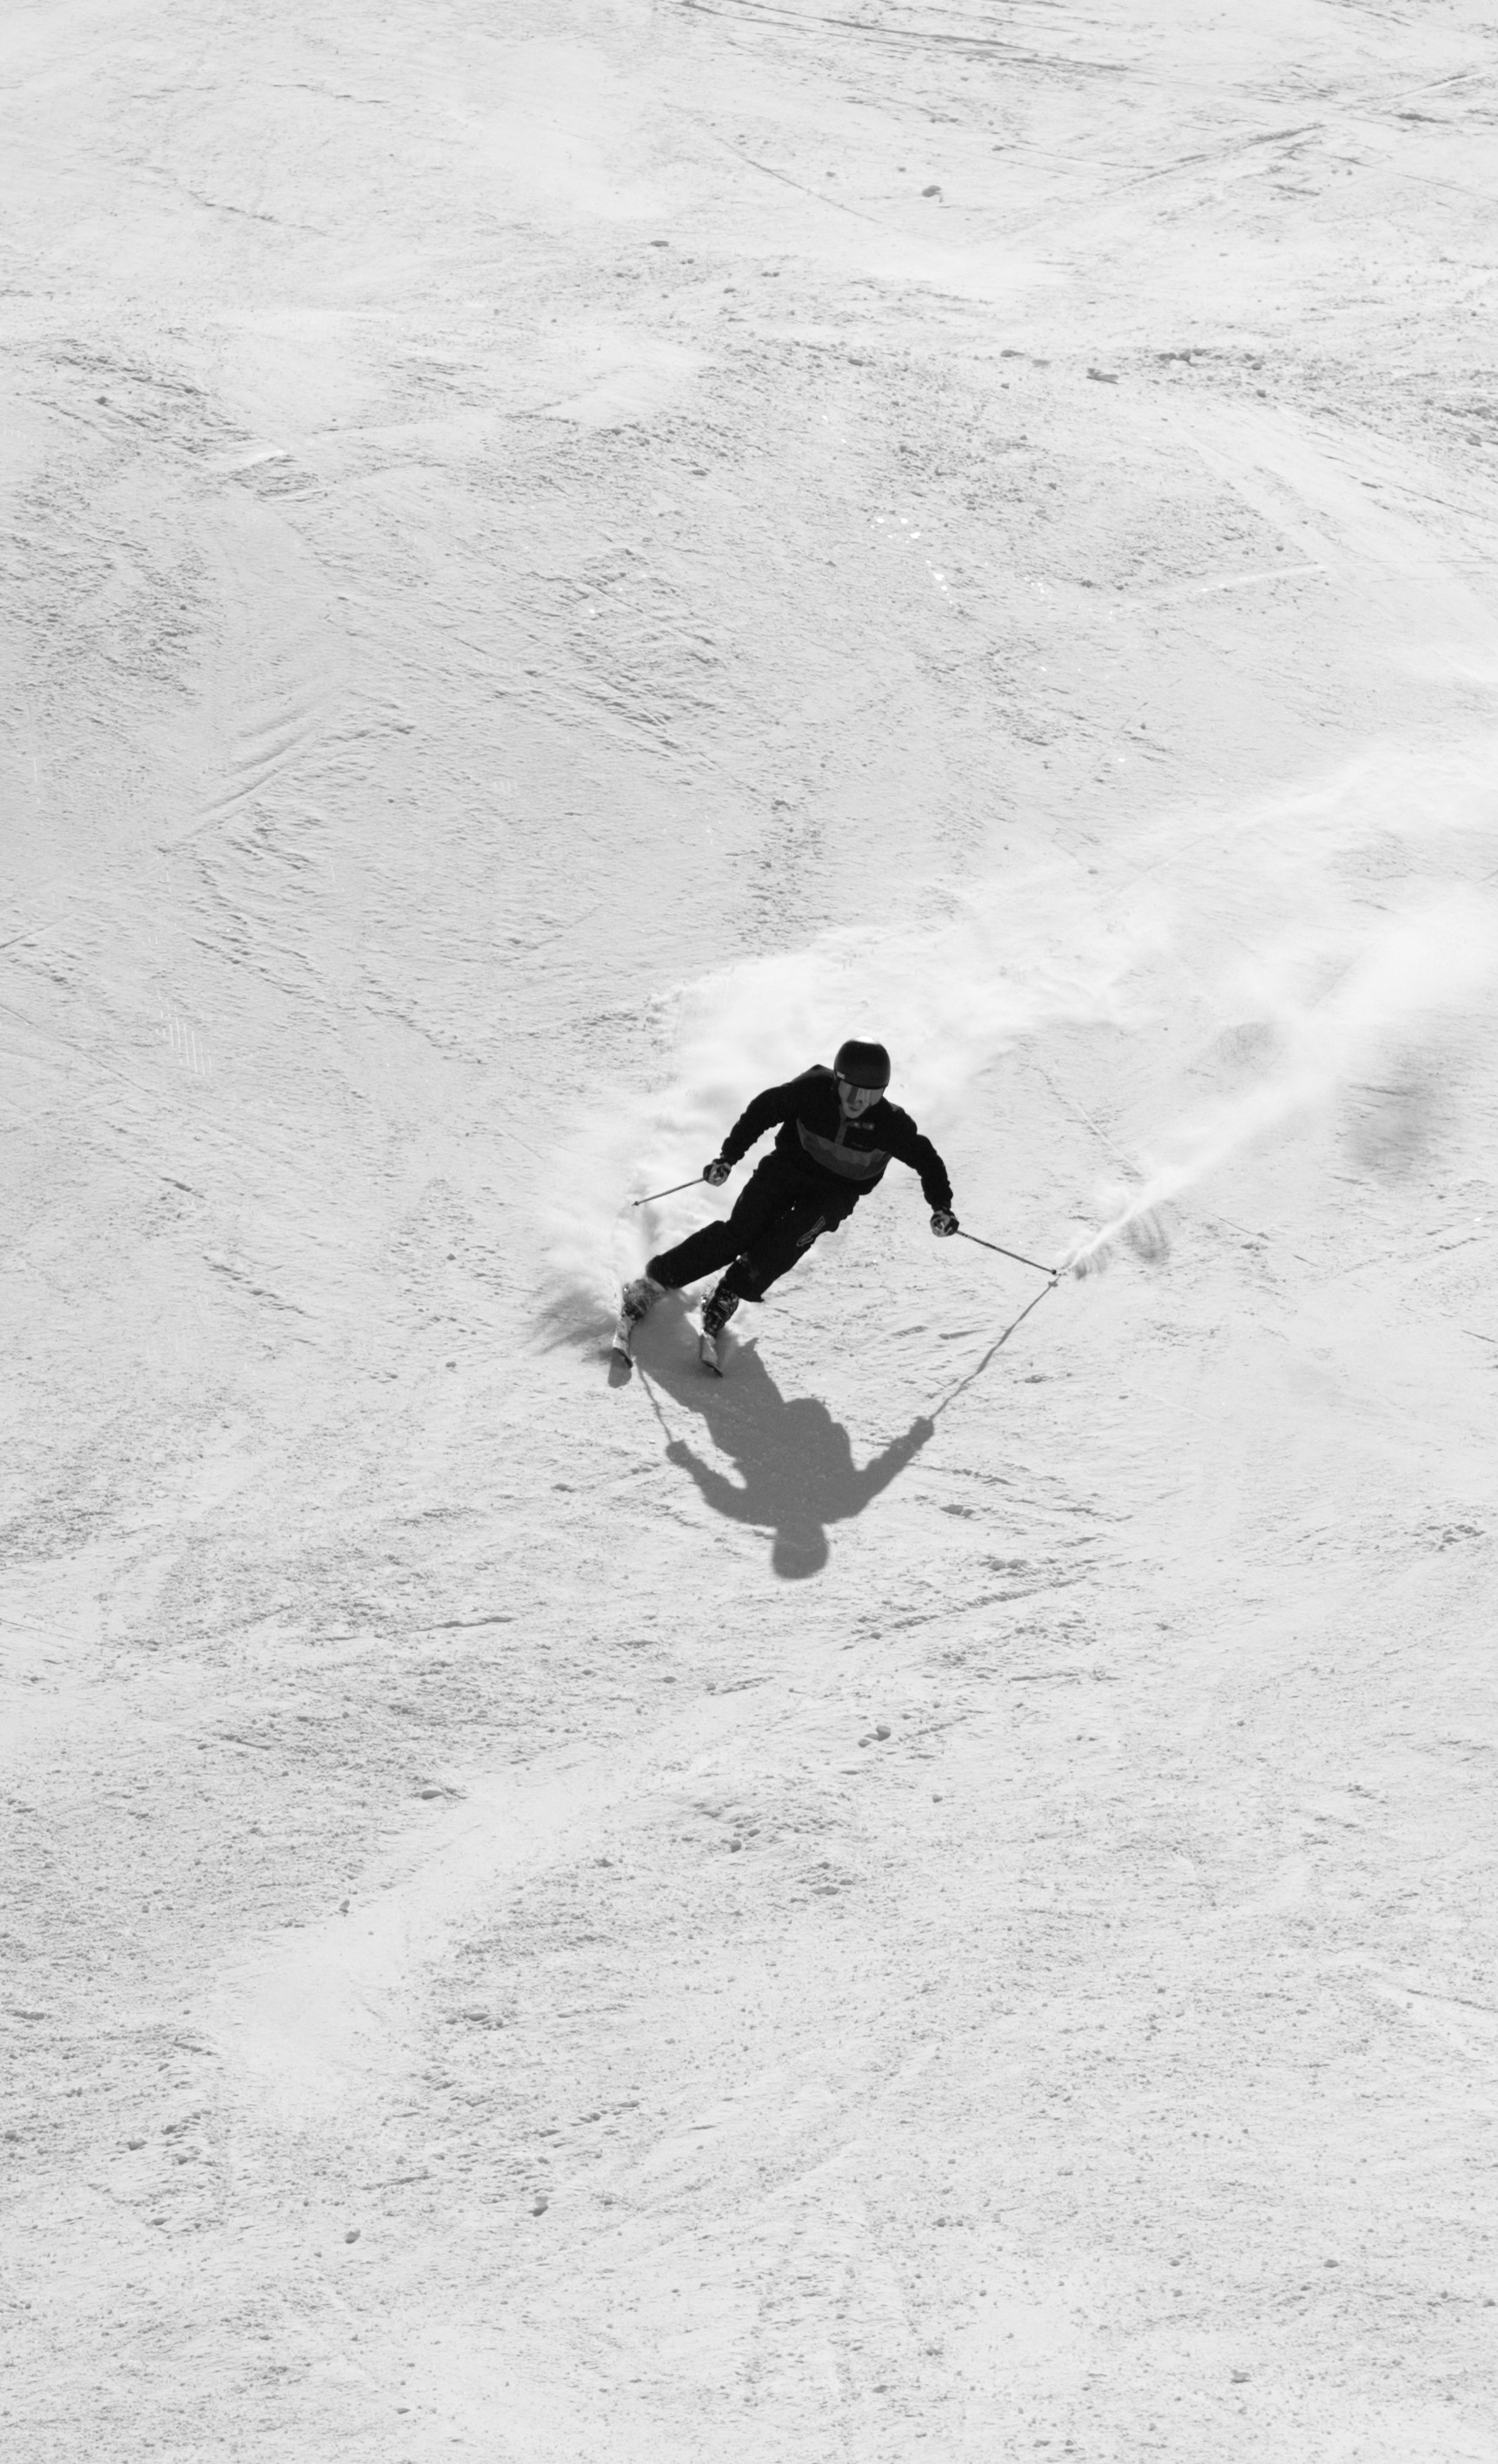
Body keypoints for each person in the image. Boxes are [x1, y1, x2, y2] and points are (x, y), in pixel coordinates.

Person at [621, 1039, 959, 1364]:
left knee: (790, 1239)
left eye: (870, 1093)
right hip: (788, 1168)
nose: (858, 1100)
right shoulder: (812, 1090)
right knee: (741, 1233)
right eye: (851, 1089)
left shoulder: (891, 1125)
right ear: (836, 1082)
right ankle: (655, 1280)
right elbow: (762, 1111)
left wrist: (941, 1206)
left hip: (836, 1193)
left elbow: (928, 1161)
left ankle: (729, 1291)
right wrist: (728, 1156)